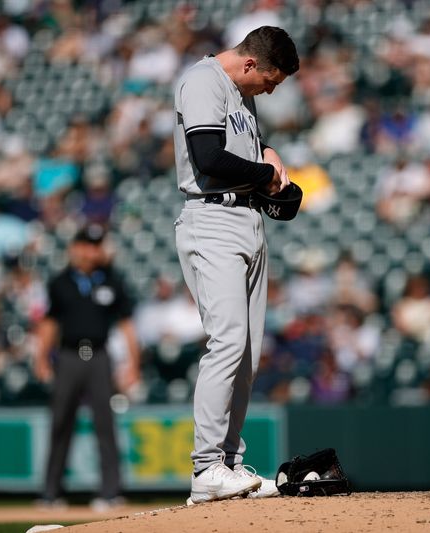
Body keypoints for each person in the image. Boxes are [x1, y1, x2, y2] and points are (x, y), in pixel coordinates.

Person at [172, 26, 299, 505]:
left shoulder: (241, 95)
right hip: (212, 219)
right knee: (227, 342)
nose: (270, 89)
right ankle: (207, 467)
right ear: (250, 65)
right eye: (270, 80)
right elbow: (207, 156)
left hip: (245, 221)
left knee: (245, 355)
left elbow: (246, 154)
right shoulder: (204, 81)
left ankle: (227, 465)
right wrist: (264, 174)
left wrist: (270, 164)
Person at [34, 224, 141, 510]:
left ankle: (110, 492)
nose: (93, 251)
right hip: (68, 356)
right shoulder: (61, 282)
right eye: (88, 245)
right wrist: (41, 358)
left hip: (99, 356)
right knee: (60, 423)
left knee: (105, 424)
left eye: (97, 245)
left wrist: (134, 364)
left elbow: (127, 324)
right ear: (76, 248)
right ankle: (51, 492)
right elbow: (49, 323)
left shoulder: (111, 280)